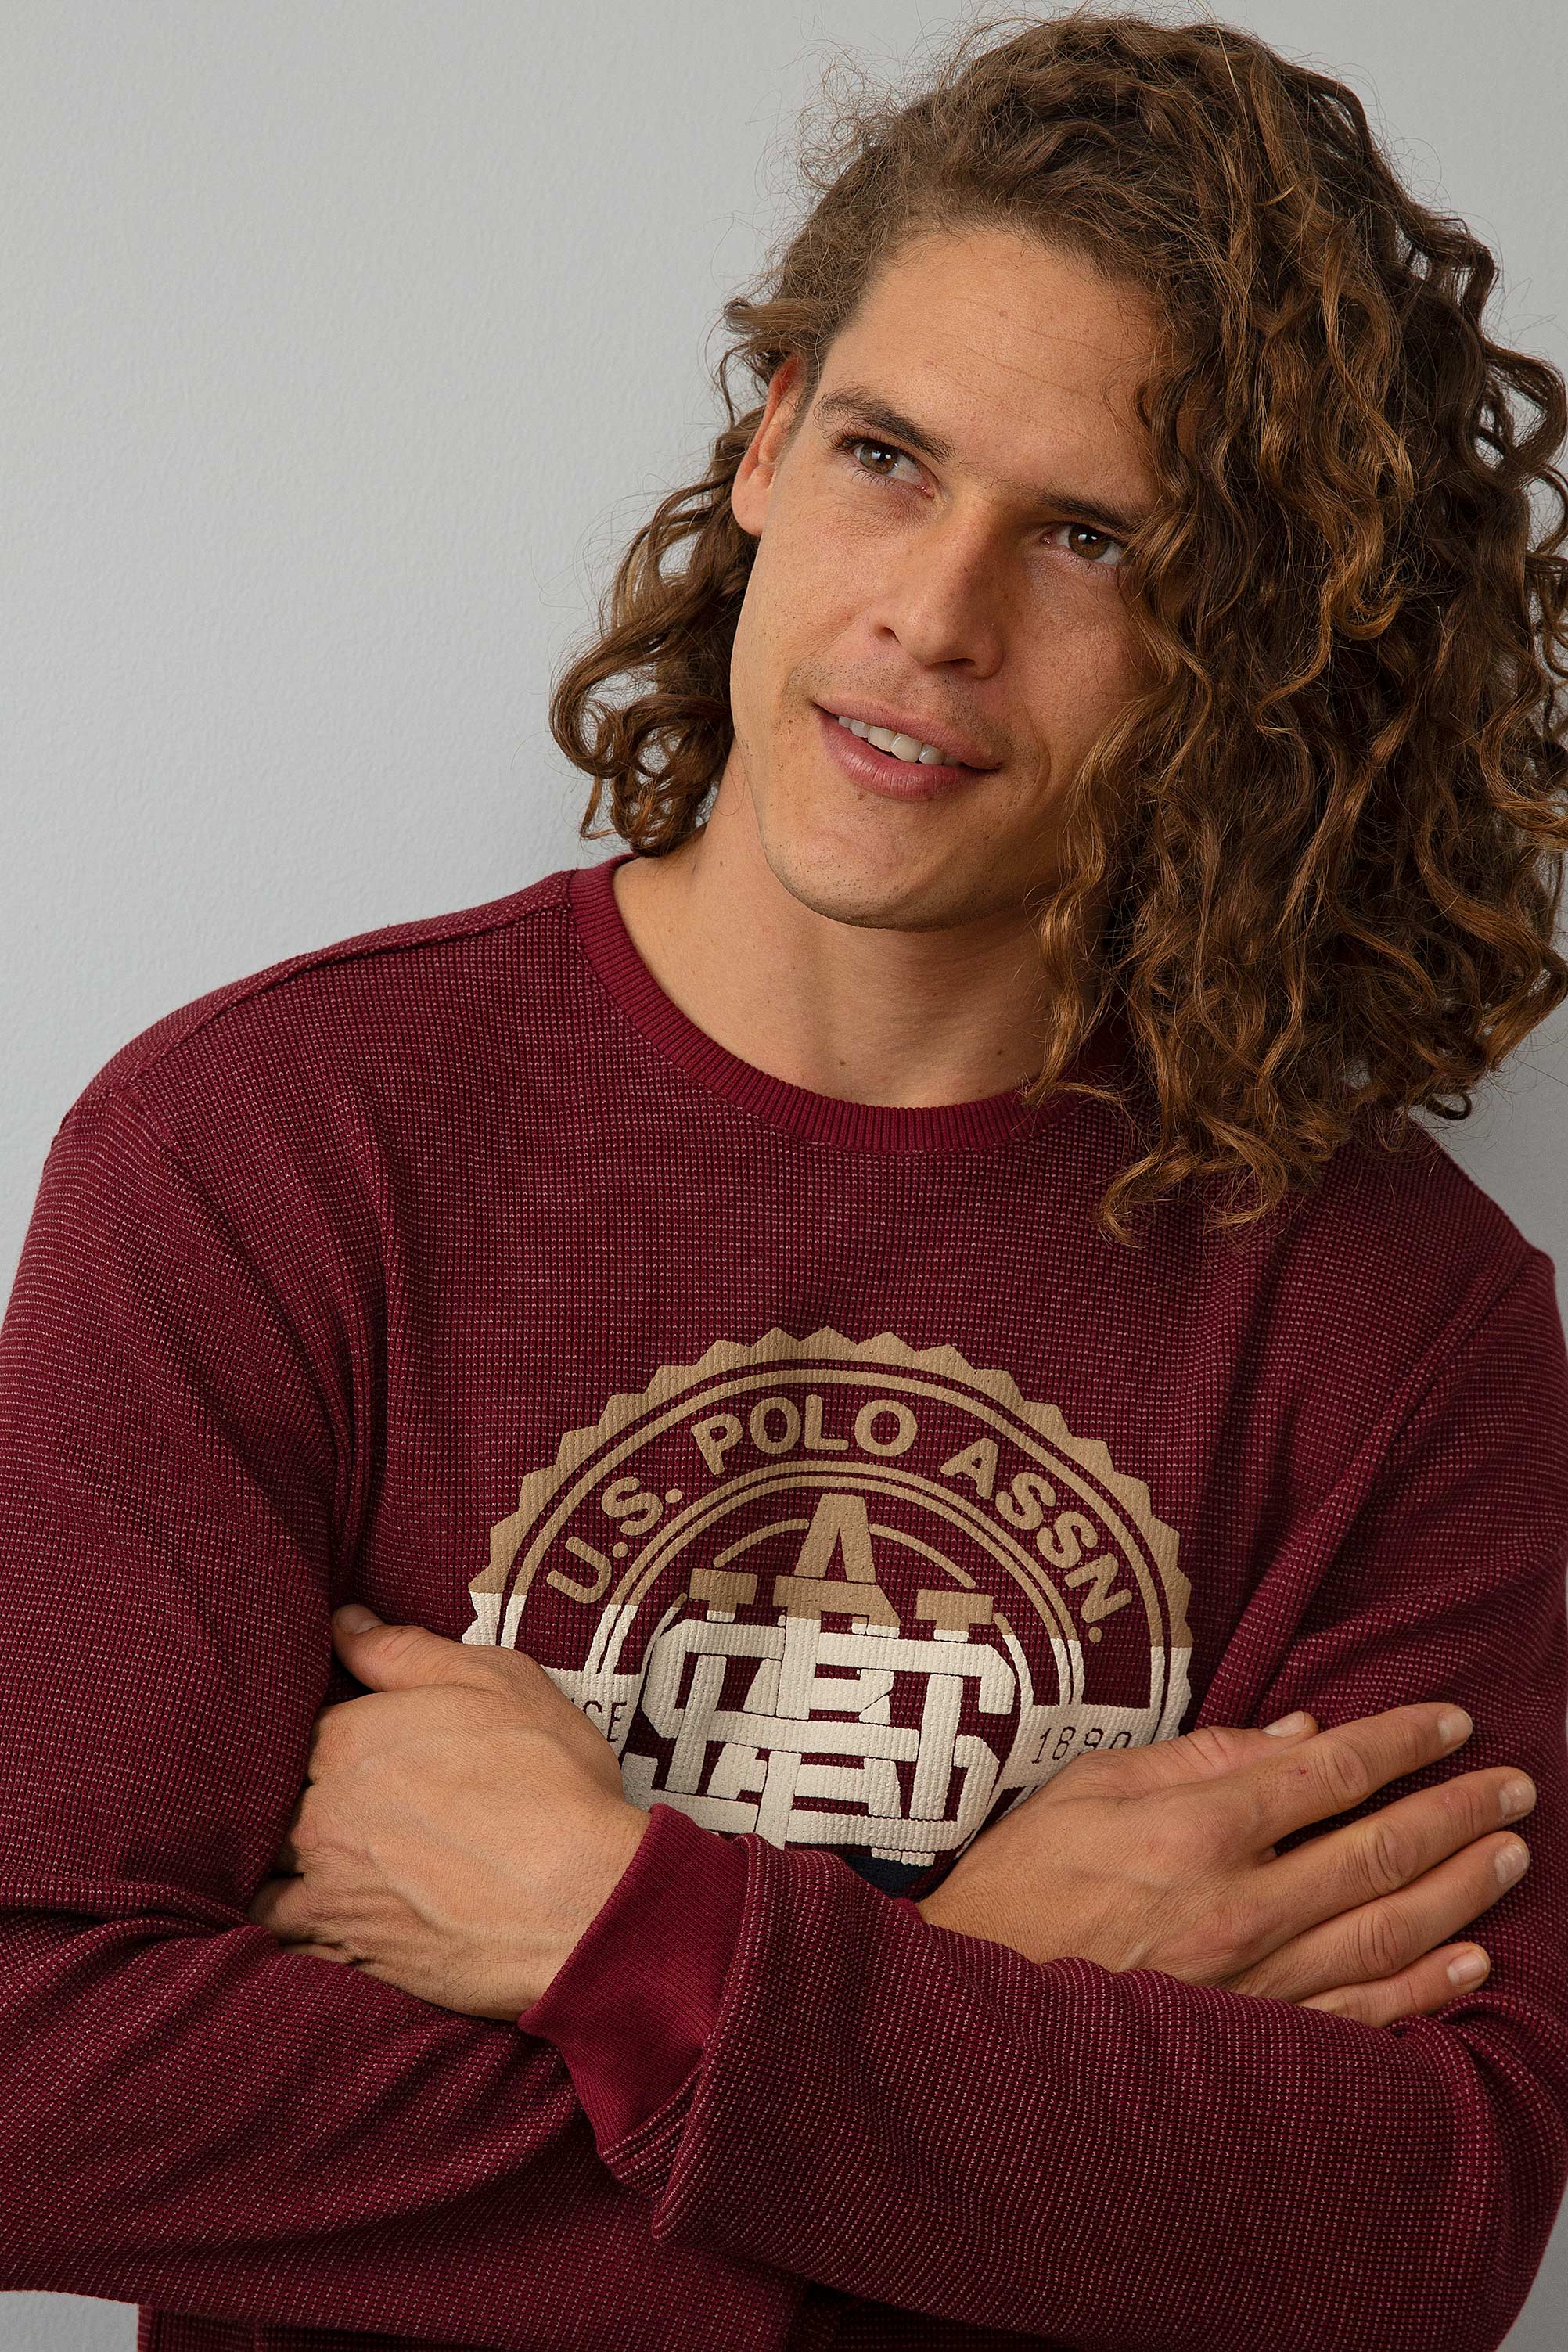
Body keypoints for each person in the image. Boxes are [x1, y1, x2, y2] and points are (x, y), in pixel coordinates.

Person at [2, 9, 1566, 2350]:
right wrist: (970, 2014)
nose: (931, 615)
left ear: (1253, 640)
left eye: (1092, 539)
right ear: (763, 444)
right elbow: (41, 2078)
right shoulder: (271, 1147)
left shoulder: (1390, 1318)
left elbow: (1409, 2223)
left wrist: (625, 1932)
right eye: (884, 456)